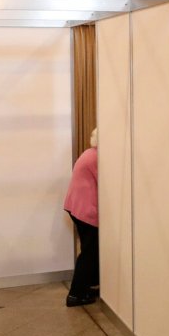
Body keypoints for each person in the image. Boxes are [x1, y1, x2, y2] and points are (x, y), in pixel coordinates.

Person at [63, 128, 99, 307]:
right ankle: (75, 294)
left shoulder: (89, 153)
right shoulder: (97, 158)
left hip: (76, 207)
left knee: (90, 250)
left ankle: (86, 286)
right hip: (86, 211)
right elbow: (109, 183)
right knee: (89, 253)